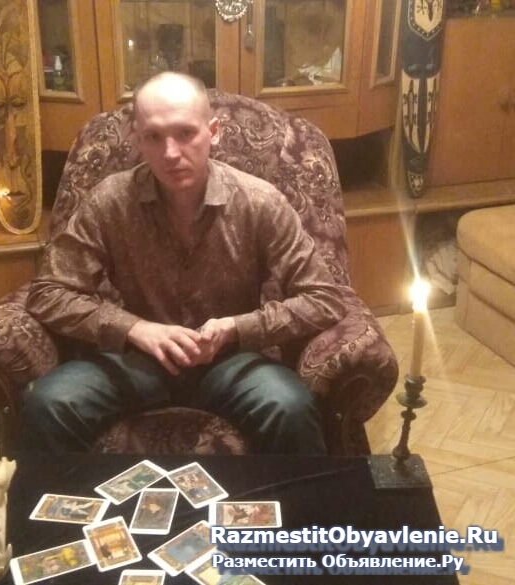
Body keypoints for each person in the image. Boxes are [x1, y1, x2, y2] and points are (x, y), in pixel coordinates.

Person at [22, 72, 347, 455]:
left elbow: (324, 299)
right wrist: (134, 329)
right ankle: (78, 498)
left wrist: (235, 328)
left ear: (214, 132)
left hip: (232, 360)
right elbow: (48, 293)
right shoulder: (110, 200)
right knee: (49, 402)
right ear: (137, 140)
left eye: (186, 133)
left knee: (289, 406)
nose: (171, 153)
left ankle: (297, 498)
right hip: (139, 359)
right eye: (154, 137)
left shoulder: (261, 202)